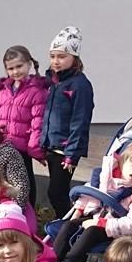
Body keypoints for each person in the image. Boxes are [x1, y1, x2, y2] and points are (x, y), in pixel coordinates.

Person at [53, 139, 132, 262]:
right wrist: (79, 210)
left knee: (92, 231)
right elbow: (90, 193)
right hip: (94, 217)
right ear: (123, 160)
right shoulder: (107, 174)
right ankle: (52, 260)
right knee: (68, 225)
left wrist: (100, 223)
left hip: (118, 230)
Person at [41, 26, 95, 217]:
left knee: (56, 192)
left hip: (66, 149)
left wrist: (71, 153)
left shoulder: (80, 85)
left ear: (75, 58)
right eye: (53, 56)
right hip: (52, 145)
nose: (56, 61)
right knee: (57, 192)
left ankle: (68, 225)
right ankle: (64, 223)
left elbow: (80, 121)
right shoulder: (54, 82)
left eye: (62, 56)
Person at [0, 46, 48, 206]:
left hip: (22, 147)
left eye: (19, 66)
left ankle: (29, 211)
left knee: (25, 181)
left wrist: (35, 149)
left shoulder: (37, 90)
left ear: (29, 64)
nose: (15, 71)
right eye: (10, 68)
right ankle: (7, 209)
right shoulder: (4, 90)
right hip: (4, 144)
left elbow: (38, 121)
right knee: (4, 180)